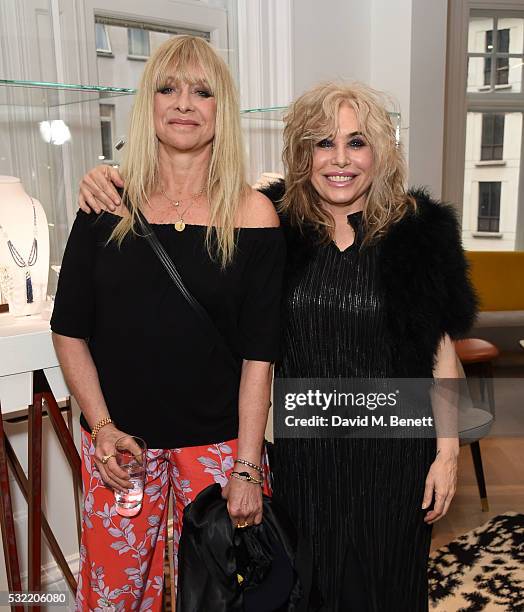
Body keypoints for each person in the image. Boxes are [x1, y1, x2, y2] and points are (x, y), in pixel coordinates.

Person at [78, 82, 477, 611]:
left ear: (381, 151)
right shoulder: (271, 225)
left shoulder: (418, 232)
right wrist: (110, 179)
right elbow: (187, 220)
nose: (340, 160)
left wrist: (447, 453)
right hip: (303, 461)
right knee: (307, 588)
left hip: (394, 455)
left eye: (356, 143)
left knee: (387, 586)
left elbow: (441, 352)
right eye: (321, 143)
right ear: (300, 153)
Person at [52, 35, 285, 611]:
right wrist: (101, 427)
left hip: (219, 449)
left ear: (220, 109)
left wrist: (249, 467)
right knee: (114, 599)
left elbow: (260, 355)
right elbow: (69, 330)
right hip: (120, 448)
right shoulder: (106, 202)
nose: (184, 102)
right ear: (148, 102)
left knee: (226, 599)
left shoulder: (253, 214)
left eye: (202, 91)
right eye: (168, 87)